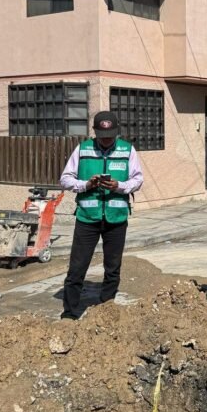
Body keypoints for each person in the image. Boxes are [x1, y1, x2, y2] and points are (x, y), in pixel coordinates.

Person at [59, 111, 143, 320]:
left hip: (116, 218)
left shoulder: (127, 150)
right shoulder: (83, 149)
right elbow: (65, 179)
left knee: (112, 268)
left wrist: (119, 186)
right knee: (77, 268)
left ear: (116, 132)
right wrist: (86, 184)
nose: (106, 140)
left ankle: (107, 310)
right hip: (87, 218)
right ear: (95, 131)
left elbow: (137, 179)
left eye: (110, 136)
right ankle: (69, 313)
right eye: (102, 136)